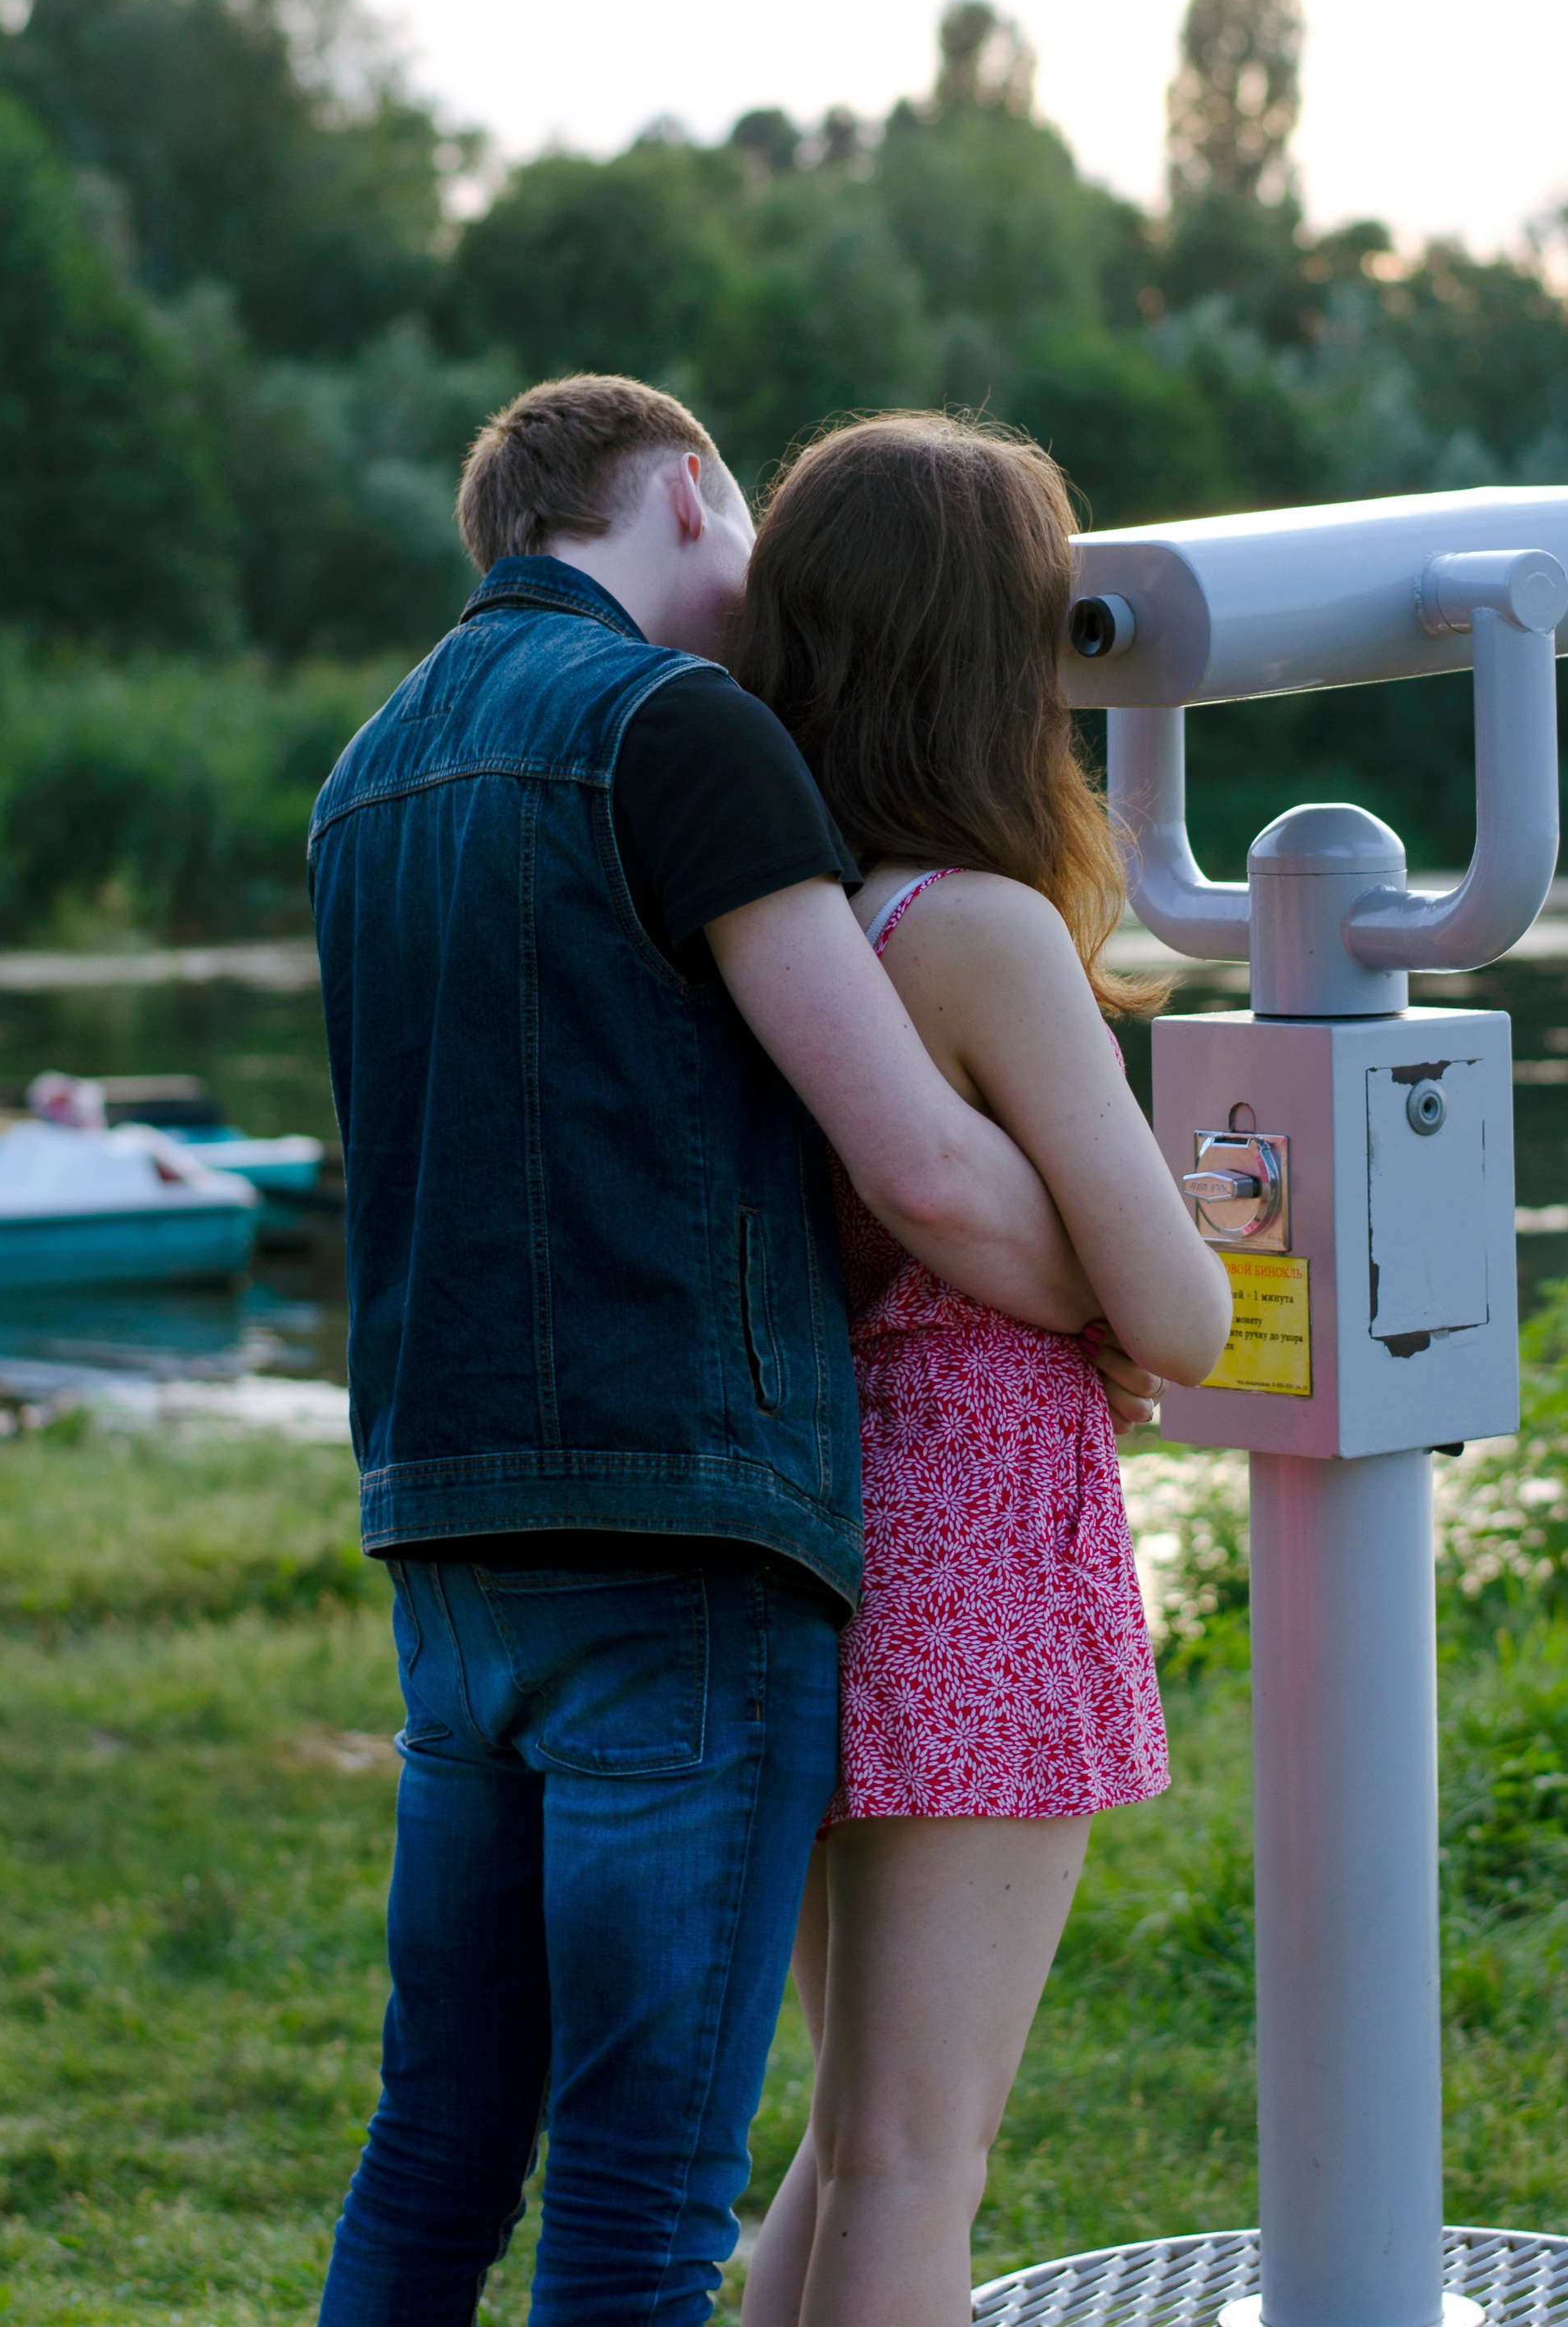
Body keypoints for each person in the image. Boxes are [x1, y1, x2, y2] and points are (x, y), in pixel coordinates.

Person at [308, 374, 1127, 2327]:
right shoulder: (677, 728)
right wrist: (1129, 1295)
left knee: (437, 2143)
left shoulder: (367, 768)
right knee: (640, 2186)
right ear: (688, 488)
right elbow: (919, 1163)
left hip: (445, 1522)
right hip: (677, 1531)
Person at [728, 415, 1231, 2327]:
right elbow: (1183, 1314)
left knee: (854, 2142)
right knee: (915, 2165)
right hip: (980, 1578)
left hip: (822, 1534)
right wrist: (1141, 1256)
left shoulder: (787, 919)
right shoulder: (978, 931)